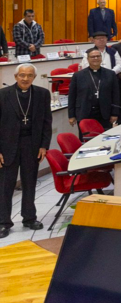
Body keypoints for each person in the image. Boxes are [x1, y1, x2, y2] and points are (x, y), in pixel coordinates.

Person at [0, 64, 52, 237]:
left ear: (34, 78)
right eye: (22, 75)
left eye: (29, 75)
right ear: (15, 77)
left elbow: (46, 121)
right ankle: (3, 222)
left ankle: (29, 218)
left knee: (30, 183)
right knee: (5, 186)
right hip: (7, 145)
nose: (25, 78)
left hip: (32, 145)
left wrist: (44, 145)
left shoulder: (42, 94)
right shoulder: (3, 95)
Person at [68, 48, 120, 134]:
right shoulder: (78, 75)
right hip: (84, 112)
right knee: (86, 140)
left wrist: (115, 113)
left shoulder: (110, 74)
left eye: (98, 56)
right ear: (87, 59)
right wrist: (71, 115)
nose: (95, 58)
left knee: (105, 138)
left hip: (104, 113)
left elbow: (115, 95)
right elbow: (72, 96)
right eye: (92, 57)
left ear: (101, 58)